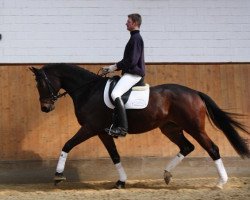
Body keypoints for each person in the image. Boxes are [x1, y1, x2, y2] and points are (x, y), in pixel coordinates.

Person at [102, 13, 145, 137]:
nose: (126, 23)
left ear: (135, 23)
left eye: (128, 21)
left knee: (115, 94)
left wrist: (113, 67)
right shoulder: (134, 38)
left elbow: (131, 61)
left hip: (134, 74)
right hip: (130, 73)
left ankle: (122, 128)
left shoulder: (136, 39)